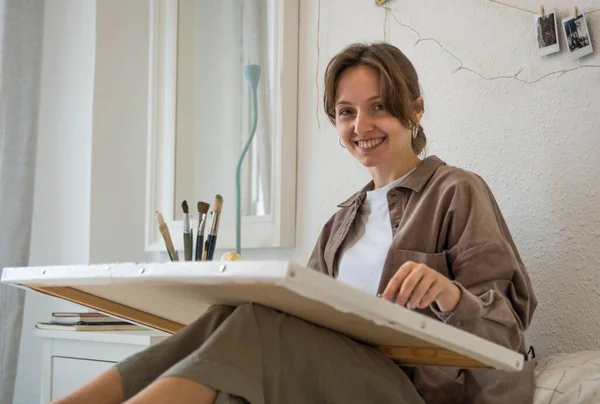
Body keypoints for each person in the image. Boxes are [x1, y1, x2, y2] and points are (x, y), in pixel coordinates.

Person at [53, 42, 537, 404]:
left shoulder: (456, 191)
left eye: (379, 107)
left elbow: (508, 333)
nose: (361, 127)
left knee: (259, 325)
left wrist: (449, 294)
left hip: (411, 391)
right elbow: (305, 321)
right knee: (227, 318)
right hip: (331, 379)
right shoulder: (340, 223)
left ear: (415, 110)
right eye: (346, 113)